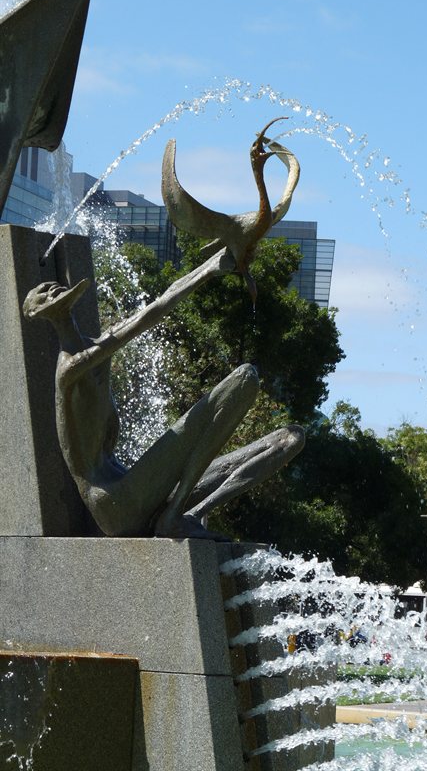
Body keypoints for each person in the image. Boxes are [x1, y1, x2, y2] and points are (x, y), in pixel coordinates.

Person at [22, 124, 304, 539]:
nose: (55, 287)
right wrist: (208, 269)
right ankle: (173, 516)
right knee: (244, 378)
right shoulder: (71, 369)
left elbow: (150, 310)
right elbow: (151, 315)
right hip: (116, 505)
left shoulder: (94, 349)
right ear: (47, 312)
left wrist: (214, 265)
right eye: (47, 291)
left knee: (288, 439)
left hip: (136, 488)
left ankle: (189, 510)